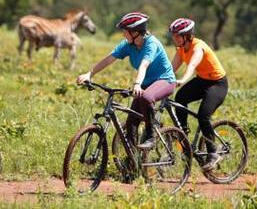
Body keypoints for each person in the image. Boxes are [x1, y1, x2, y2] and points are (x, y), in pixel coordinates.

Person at [76, 12, 176, 149]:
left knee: (147, 97)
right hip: (145, 83)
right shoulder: (128, 45)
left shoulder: (151, 44)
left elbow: (144, 64)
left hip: (165, 80)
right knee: (131, 124)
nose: (123, 34)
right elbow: (109, 59)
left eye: (125, 31)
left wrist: (137, 84)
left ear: (135, 32)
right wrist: (89, 74)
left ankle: (151, 136)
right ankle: (133, 163)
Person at [169, 18, 228, 171]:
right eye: (173, 36)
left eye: (177, 36)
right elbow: (169, 69)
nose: (174, 39)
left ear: (187, 36)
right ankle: (183, 133)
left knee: (203, 115)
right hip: (202, 81)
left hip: (217, 84)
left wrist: (183, 79)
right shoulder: (181, 49)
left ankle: (213, 153)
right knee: (180, 98)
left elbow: (193, 65)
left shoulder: (198, 47)